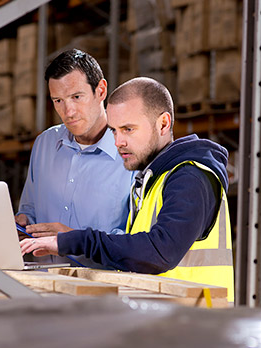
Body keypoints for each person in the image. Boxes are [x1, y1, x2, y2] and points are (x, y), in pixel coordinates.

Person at [21, 77, 234, 301]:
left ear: (163, 124)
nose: (118, 142)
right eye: (114, 131)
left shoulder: (190, 177)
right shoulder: (152, 180)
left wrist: (74, 240)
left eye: (128, 129)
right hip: (169, 321)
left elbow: (159, 252)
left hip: (196, 325)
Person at [16, 49, 134, 267]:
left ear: (101, 90)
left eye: (76, 97)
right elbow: (29, 210)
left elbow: (137, 242)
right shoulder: (44, 145)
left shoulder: (131, 153)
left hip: (104, 290)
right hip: (44, 284)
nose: (68, 111)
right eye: (58, 100)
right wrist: (23, 225)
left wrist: (74, 239)